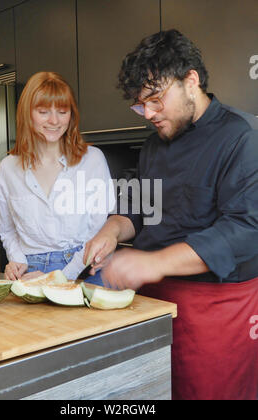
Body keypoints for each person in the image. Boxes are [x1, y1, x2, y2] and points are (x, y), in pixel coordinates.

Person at [84, 29, 258, 400]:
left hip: (215, 311)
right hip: (153, 303)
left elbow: (244, 228)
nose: (148, 114)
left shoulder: (241, 136)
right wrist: (112, 230)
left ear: (191, 80)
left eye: (156, 100)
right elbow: (140, 207)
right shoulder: (153, 146)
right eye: (140, 104)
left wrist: (153, 263)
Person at [0, 71, 114, 284]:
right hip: (31, 271)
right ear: (27, 114)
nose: (54, 121)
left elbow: (98, 231)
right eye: (43, 112)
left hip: (84, 269)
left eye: (62, 111)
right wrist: (16, 261)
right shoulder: (8, 168)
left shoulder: (93, 160)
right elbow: (8, 231)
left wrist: (60, 278)